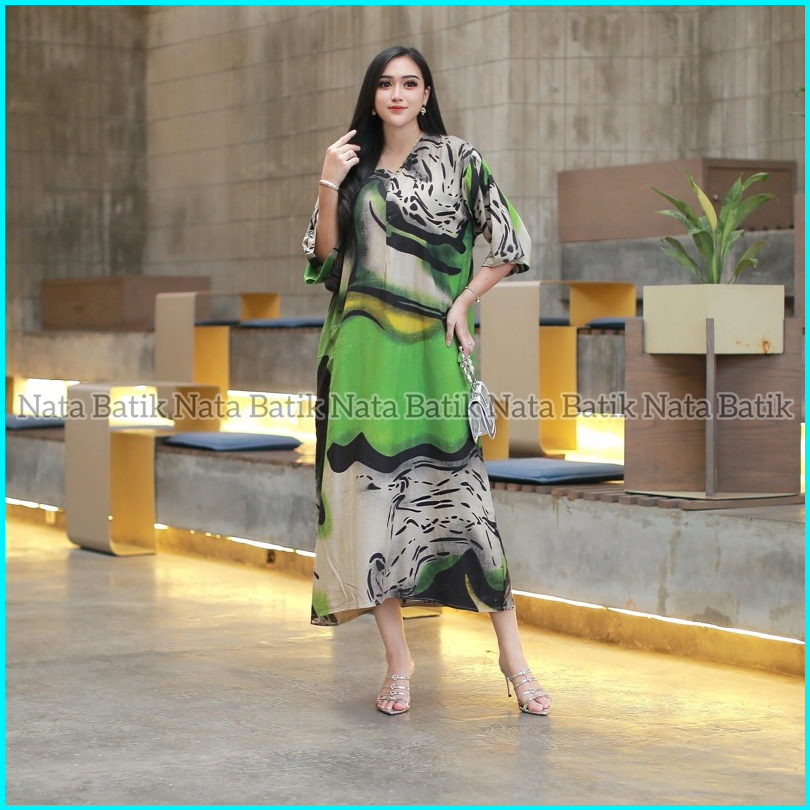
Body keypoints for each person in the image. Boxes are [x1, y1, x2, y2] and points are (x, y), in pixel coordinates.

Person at [302, 45, 551, 717]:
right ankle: (398, 663)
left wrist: (464, 302)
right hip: (359, 357)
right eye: (386, 83)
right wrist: (328, 179)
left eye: (410, 83)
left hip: (433, 353)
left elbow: (510, 242)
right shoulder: (351, 169)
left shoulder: (457, 158)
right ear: (373, 94)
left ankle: (513, 658)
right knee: (370, 507)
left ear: (426, 93)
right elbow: (324, 259)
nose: (397, 93)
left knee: (467, 503)